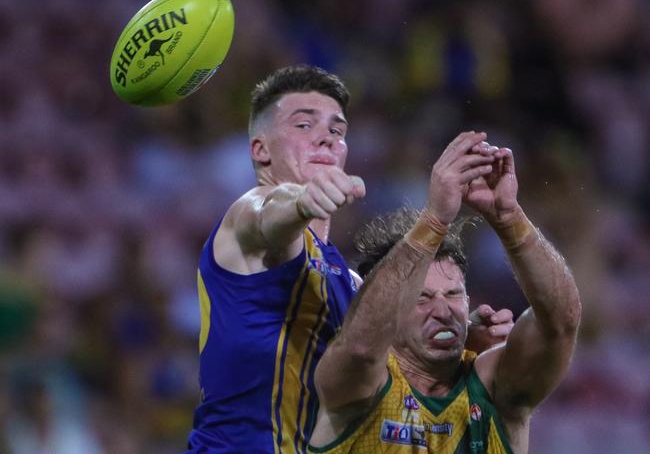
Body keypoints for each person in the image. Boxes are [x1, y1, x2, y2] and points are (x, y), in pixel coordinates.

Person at [186, 67, 513, 453]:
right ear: (261, 149)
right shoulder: (246, 220)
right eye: (304, 125)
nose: (325, 136)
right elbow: (267, 212)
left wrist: (456, 335)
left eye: (337, 131)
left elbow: (380, 363)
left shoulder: (350, 282)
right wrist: (301, 200)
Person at [309, 132, 581, 453]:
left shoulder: (495, 386)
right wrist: (435, 220)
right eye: (421, 298)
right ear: (388, 309)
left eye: (453, 294)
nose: (443, 310)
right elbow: (361, 346)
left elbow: (561, 321)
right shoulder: (357, 385)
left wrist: (509, 219)